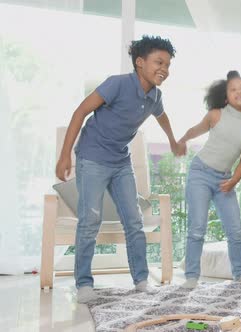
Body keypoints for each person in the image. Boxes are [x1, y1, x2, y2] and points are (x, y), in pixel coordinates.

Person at [55, 35, 180, 303]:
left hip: (121, 161)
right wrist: (65, 154)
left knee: (134, 221)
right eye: (159, 62)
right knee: (90, 221)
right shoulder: (117, 84)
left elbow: (162, 116)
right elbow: (80, 112)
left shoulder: (155, 96)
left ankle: (141, 280)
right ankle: (84, 285)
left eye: (168, 64)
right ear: (139, 62)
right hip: (92, 157)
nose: (164, 69)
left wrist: (172, 139)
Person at [177, 70, 241, 288]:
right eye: (233, 89)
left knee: (235, 230)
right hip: (200, 173)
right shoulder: (216, 114)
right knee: (197, 227)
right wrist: (181, 140)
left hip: (225, 181)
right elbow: (196, 130)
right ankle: (191, 276)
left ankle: (239, 274)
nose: (239, 92)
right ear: (226, 97)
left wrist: (234, 181)